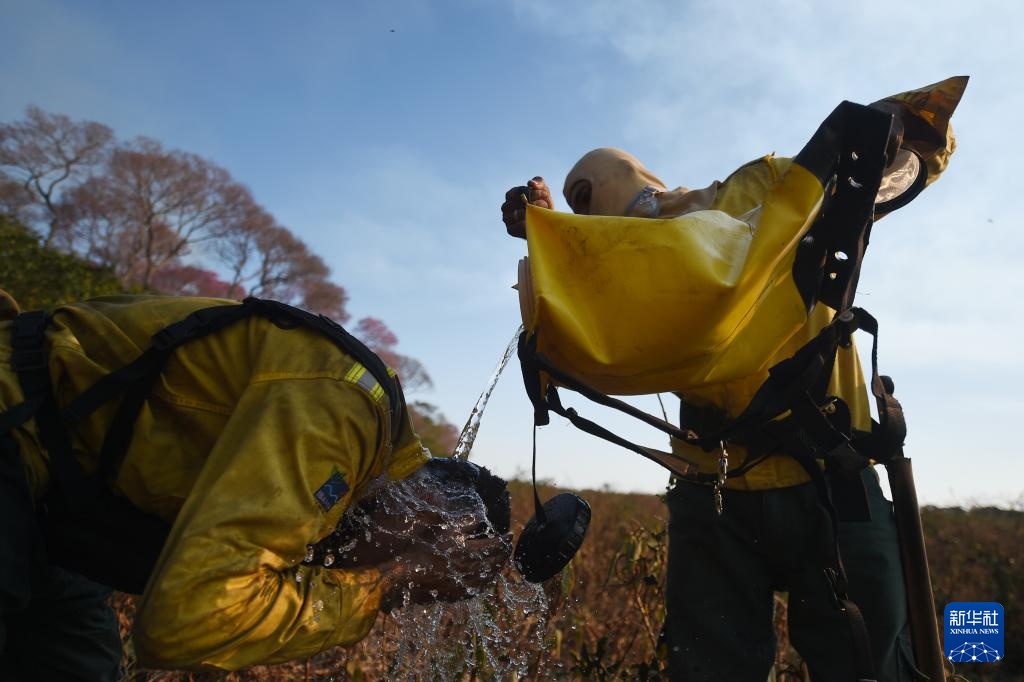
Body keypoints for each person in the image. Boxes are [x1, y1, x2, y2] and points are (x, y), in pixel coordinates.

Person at [500, 78, 966, 681]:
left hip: (828, 478)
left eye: (587, 200)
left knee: (871, 666)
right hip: (714, 498)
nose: (586, 219)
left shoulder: (761, 190)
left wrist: (888, 131)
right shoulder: (624, 273)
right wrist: (549, 233)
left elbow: (899, 171)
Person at [0, 291, 511, 679]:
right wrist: (389, 583)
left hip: (55, 503)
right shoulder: (345, 416)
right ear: (429, 517)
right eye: (432, 568)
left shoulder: (366, 456)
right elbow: (185, 622)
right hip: (15, 429)